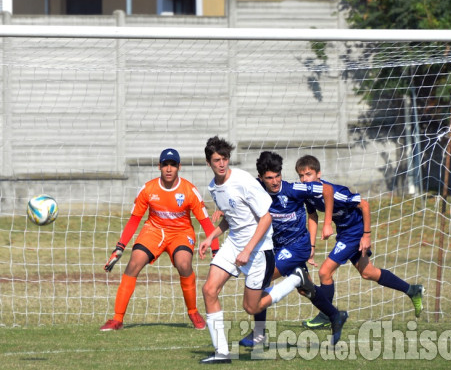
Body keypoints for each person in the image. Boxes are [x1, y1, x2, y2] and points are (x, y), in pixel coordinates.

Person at [295, 155, 424, 329]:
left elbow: (365, 206)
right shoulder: (308, 195)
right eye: (301, 176)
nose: (304, 179)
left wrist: (367, 235)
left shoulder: (337, 192)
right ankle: (412, 290)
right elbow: (312, 216)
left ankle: (326, 315)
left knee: (325, 272)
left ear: (319, 174)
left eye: (308, 174)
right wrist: (311, 246)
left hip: (354, 234)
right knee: (368, 272)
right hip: (345, 233)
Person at [236, 151, 349, 348]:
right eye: (269, 177)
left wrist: (328, 222)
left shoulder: (293, 189)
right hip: (276, 247)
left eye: (277, 176)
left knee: (261, 278)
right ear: (261, 178)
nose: (275, 181)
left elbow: (328, 190)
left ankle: (259, 333)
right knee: (307, 290)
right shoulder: (256, 189)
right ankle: (335, 315)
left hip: (297, 246)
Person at [100, 148, 219, 332]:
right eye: (165, 165)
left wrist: (216, 250)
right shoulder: (148, 189)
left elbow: (206, 223)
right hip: (154, 230)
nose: (169, 169)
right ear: (159, 167)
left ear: (179, 167)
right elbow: (134, 220)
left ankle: (193, 312)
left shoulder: (189, 191)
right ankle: (117, 319)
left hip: (181, 232)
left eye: (173, 165)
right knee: (134, 263)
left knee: (184, 264)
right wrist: (120, 247)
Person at [197, 136, 274, 364]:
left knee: (251, 308)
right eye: (216, 160)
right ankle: (221, 353)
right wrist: (210, 237)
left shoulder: (243, 180)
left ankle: (294, 281)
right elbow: (230, 219)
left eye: (225, 159)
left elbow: (266, 217)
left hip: (257, 248)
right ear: (208, 162)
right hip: (233, 245)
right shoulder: (213, 187)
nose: (221, 164)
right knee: (209, 290)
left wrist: (248, 250)